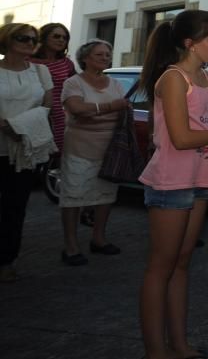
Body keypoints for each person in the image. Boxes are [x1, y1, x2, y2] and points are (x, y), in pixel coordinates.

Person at [137, 10, 208, 359]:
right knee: (161, 266)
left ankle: (179, 345)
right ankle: (156, 350)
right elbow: (181, 138)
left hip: (199, 176)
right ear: (189, 43)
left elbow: (205, 119)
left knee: (181, 263)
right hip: (172, 179)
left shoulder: (203, 78)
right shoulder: (173, 78)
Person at [59, 39, 128, 265]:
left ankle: (98, 238)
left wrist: (95, 112)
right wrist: (108, 108)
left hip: (109, 150)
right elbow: (77, 110)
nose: (105, 58)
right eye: (99, 54)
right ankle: (71, 245)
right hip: (79, 148)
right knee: (73, 196)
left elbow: (122, 111)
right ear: (85, 58)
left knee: (105, 195)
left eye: (108, 54)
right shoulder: (73, 83)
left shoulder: (115, 83)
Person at [0, 23, 55, 283]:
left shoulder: (41, 71)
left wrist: (20, 127)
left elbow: (47, 104)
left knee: (15, 207)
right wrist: (7, 126)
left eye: (33, 39)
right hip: (1, 142)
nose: (29, 42)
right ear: (7, 40)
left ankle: (6, 260)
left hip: (25, 147)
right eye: (22, 37)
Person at [31, 23, 77, 153]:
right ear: (44, 38)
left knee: (54, 155)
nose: (61, 40)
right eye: (56, 36)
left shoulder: (66, 63)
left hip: (58, 115)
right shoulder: (28, 60)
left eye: (65, 37)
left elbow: (77, 87)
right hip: (33, 113)